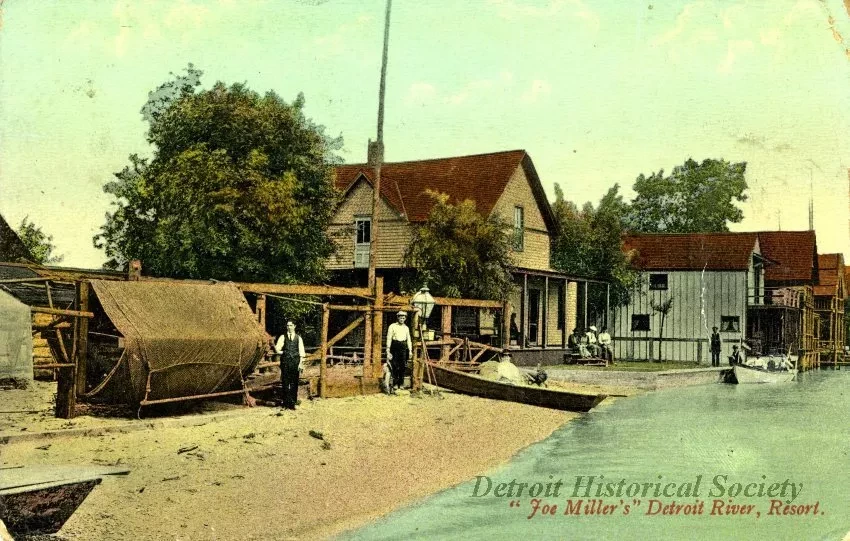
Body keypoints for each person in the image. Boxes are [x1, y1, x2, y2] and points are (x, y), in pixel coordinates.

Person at [275, 320, 305, 409]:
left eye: (291, 325)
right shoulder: (282, 337)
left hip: (295, 362)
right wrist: (284, 352)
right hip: (285, 362)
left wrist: (301, 364)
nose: (289, 327)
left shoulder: (298, 338)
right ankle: (286, 403)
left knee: (294, 382)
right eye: (287, 325)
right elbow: (277, 349)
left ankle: (293, 402)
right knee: (285, 382)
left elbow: (302, 353)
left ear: (294, 326)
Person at [386, 311, 412, 393]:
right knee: (394, 365)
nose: (402, 319)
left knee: (403, 366)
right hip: (395, 345)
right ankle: (395, 384)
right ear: (398, 317)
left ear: (405, 318)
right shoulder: (392, 326)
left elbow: (409, 339)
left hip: (403, 346)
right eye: (400, 317)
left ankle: (401, 384)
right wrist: (388, 349)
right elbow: (389, 338)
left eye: (403, 318)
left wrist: (410, 350)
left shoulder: (406, 328)